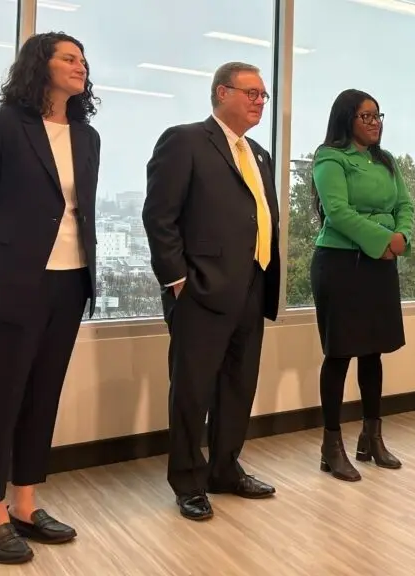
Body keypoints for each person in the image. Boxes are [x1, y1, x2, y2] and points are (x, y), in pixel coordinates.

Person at [0, 32, 100, 564]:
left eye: (83, 59)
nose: (80, 66)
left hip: (70, 279)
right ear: (40, 64)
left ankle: (25, 505)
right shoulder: (0, 126)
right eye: (68, 57)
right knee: (2, 399)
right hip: (10, 283)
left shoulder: (86, 135)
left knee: (42, 395)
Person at [142, 61, 281, 520]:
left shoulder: (258, 153)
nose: (260, 101)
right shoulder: (185, 140)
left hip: (252, 285)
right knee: (192, 389)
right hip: (201, 289)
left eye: (263, 95)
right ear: (222, 93)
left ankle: (225, 469)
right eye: (251, 93)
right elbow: (159, 216)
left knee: (239, 386)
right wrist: (178, 280)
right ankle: (188, 481)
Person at [309, 89, 414, 482]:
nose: (374, 123)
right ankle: (330, 445)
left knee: (374, 353)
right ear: (346, 120)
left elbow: (406, 205)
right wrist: (383, 240)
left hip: (379, 264)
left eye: (377, 116)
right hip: (341, 264)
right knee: (339, 354)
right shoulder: (330, 158)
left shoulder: (386, 161)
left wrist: (401, 235)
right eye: (365, 117)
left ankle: (372, 437)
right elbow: (337, 213)